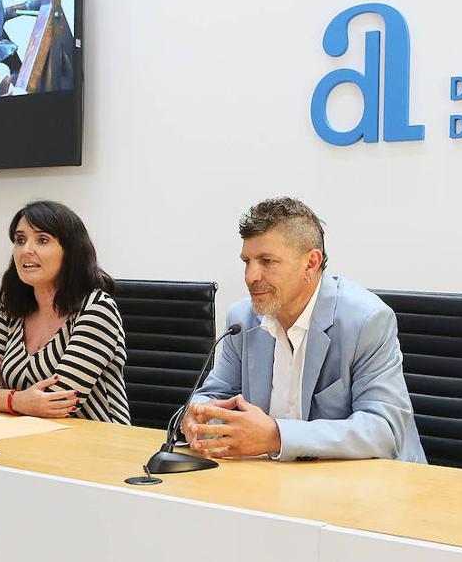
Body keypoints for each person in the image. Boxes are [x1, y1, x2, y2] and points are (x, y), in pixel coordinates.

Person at [181, 197, 425, 463]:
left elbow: (384, 431)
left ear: (310, 263)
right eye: (246, 261)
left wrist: (278, 436)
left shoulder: (366, 320)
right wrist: (197, 416)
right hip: (276, 482)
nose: (251, 276)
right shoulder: (242, 319)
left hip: (370, 488)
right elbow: (215, 395)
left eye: (267, 261)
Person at [0, 200, 129, 423]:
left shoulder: (97, 308)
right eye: (20, 240)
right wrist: (17, 400)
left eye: (42, 240)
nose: (26, 250)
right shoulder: (14, 310)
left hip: (96, 447)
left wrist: (1, 388)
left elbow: (59, 401)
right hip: (26, 438)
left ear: (71, 252)